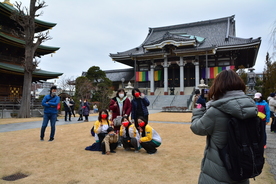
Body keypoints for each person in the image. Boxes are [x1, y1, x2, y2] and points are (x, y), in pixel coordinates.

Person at [190, 69, 258, 184]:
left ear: (218, 86)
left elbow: (197, 128)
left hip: (219, 170)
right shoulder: (250, 106)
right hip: (243, 166)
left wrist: (197, 110)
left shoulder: (216, 111)